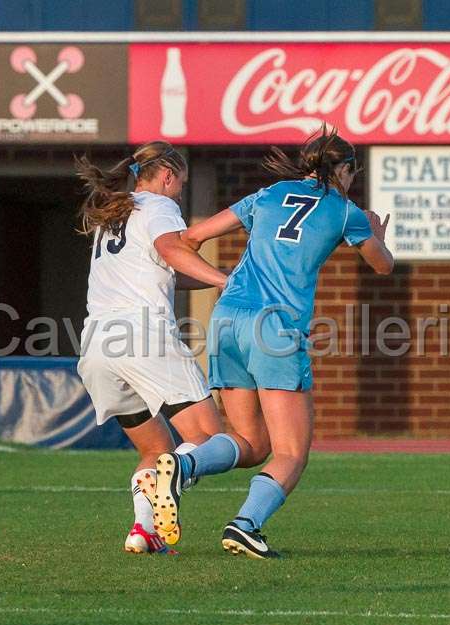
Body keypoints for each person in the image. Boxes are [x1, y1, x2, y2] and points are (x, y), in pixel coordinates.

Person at [162, 127, 394, 559]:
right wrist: (376, 233)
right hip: (275, 328)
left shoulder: (268, 194)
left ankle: (182, 464)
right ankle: (245, 525)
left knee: (251, 442)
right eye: (351, 172)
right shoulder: (347, 212)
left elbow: (191, 238)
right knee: (291, 452)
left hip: (226, 319)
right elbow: (382, 266)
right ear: (343, 170)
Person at [75, 141, 269, 555]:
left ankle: (143, 531)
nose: (179, 192)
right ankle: (175, 476)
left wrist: (217, 274)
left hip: (95, 346)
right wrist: (225, 282)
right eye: (179, 184)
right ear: (167, 176)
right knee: (206, 438)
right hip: (143, 336)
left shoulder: (117, 211)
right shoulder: (158, 208)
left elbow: (167, 272)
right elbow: (171, 251)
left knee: (155, 448)